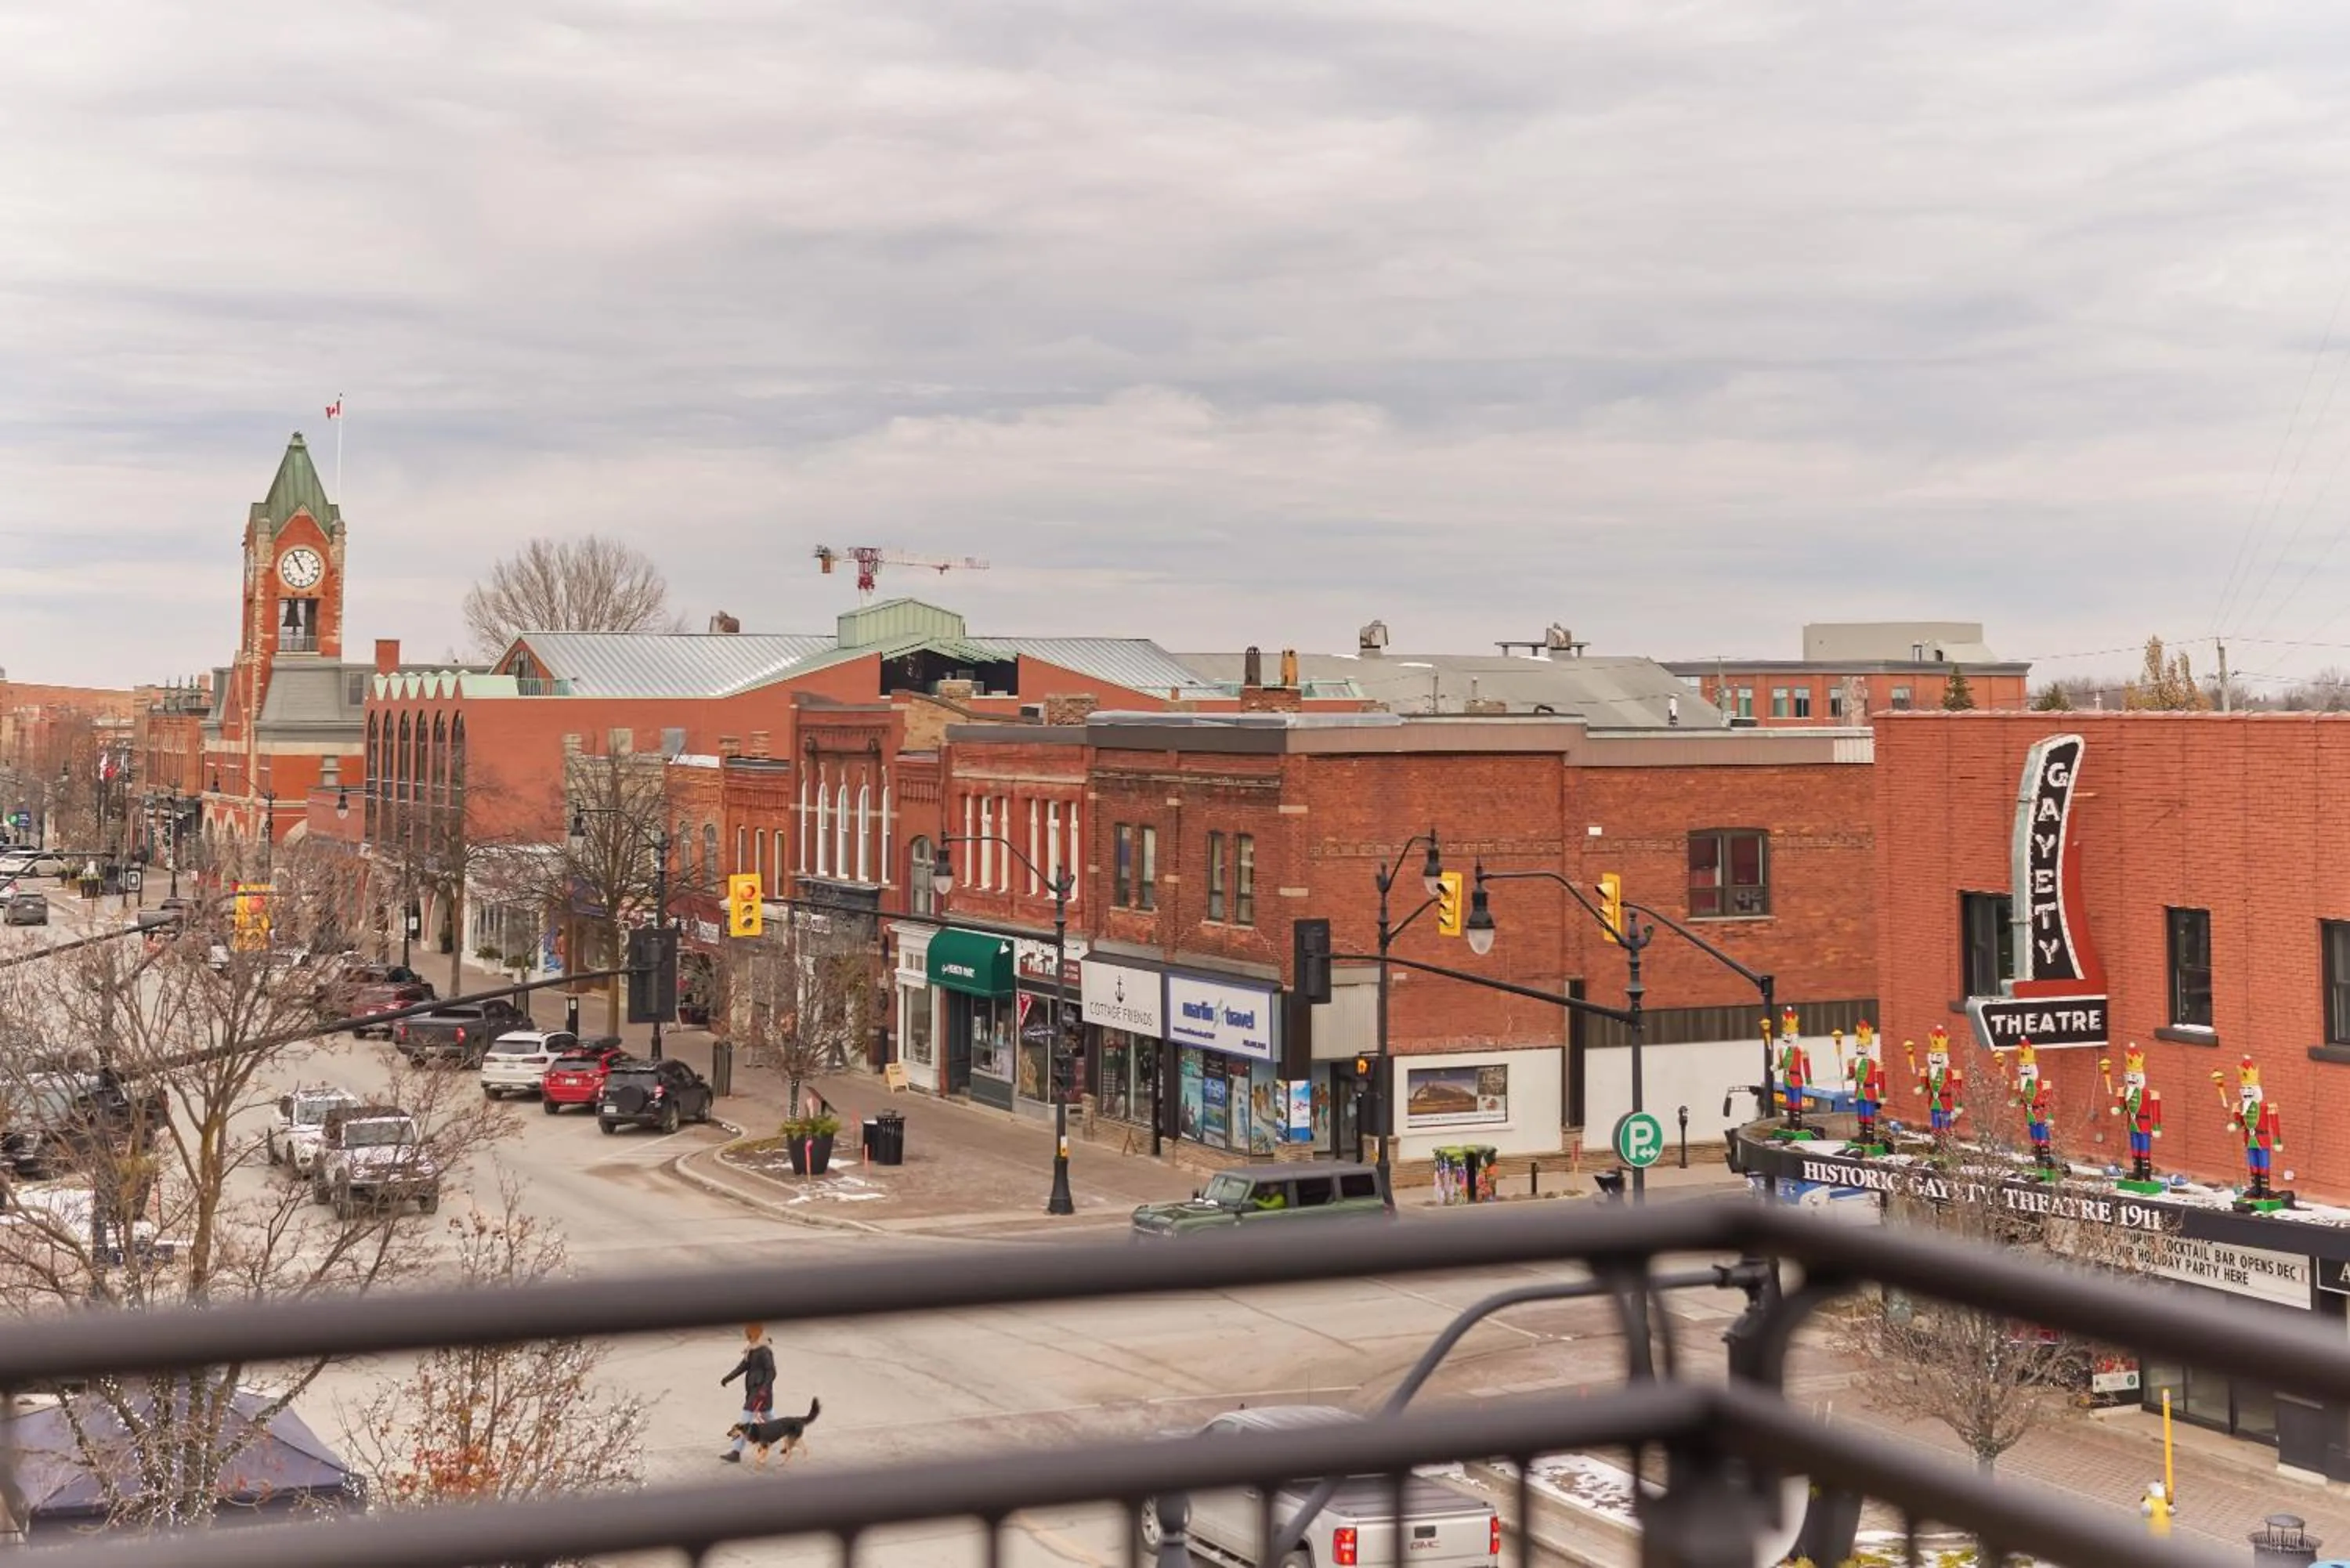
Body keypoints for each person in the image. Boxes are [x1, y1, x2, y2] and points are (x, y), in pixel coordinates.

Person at [720, 1323, 777, 1463]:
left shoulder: (764, 1350)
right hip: (754, 1390)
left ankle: (736, 1452)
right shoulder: (752, 1349)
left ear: (754, 1333)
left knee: (745, 1420)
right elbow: (743, 1366)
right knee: (768, 1416)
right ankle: (786, 1431)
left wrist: (764, 1389)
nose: (745, 1334)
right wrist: (728, 1377)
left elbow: (771, 1372)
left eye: (748, 1332)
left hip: (760, 1392)